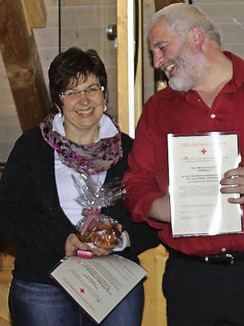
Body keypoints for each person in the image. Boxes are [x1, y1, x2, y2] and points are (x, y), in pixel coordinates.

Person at [122, 3, 244, 325]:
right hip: (191, 281)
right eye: (153, 52)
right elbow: (134, 181)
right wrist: (157, 207)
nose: (157, 62)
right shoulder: (157, 109)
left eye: (161, 48)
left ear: (196, 37)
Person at [0, 47, 159, 325]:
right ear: (58, 102)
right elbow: (7, 214)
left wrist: (121, 239)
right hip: (43, 284)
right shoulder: (32, 148)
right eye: (71, 92)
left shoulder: (131, 150)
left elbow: (153, 216)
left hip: (114, 285)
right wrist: (61, 240)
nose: (84, 100)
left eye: (92, 88)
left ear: (104, 95)